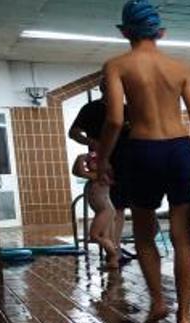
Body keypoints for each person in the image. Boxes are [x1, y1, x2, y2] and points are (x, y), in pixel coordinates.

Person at [95, 0, 190, 323]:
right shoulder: (180, 68)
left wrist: (104, 160)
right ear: (161, 32)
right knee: (184, 238)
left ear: (125, 32)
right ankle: (185, 318)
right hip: (181, 151)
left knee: (143, 233)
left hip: (142, 152)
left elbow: (113, 119)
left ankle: (157, 302)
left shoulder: (116, 65)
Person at [69, 80, 132, 268]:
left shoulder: (127, 110)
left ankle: (115, 249)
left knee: (118, 207)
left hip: (123, 162)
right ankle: (111, 249)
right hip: (101, 161)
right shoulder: (91, 109)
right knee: (106, 208)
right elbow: (73, 132)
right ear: (103, 89)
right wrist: (92, 141)